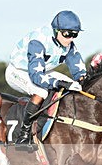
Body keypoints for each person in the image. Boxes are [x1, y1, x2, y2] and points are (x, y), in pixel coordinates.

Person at [6, 10, 88, 149]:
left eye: (75, 34)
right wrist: (58, 83)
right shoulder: (38, 41)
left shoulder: (68, 44)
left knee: (74, 86)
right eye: (67, 34)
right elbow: (36, 76)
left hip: (44, 71)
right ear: (56, 31)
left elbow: (79, 70)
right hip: (18, 71)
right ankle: (24, 134)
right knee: (42, 92)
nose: (71, 39)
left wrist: (82, 80)